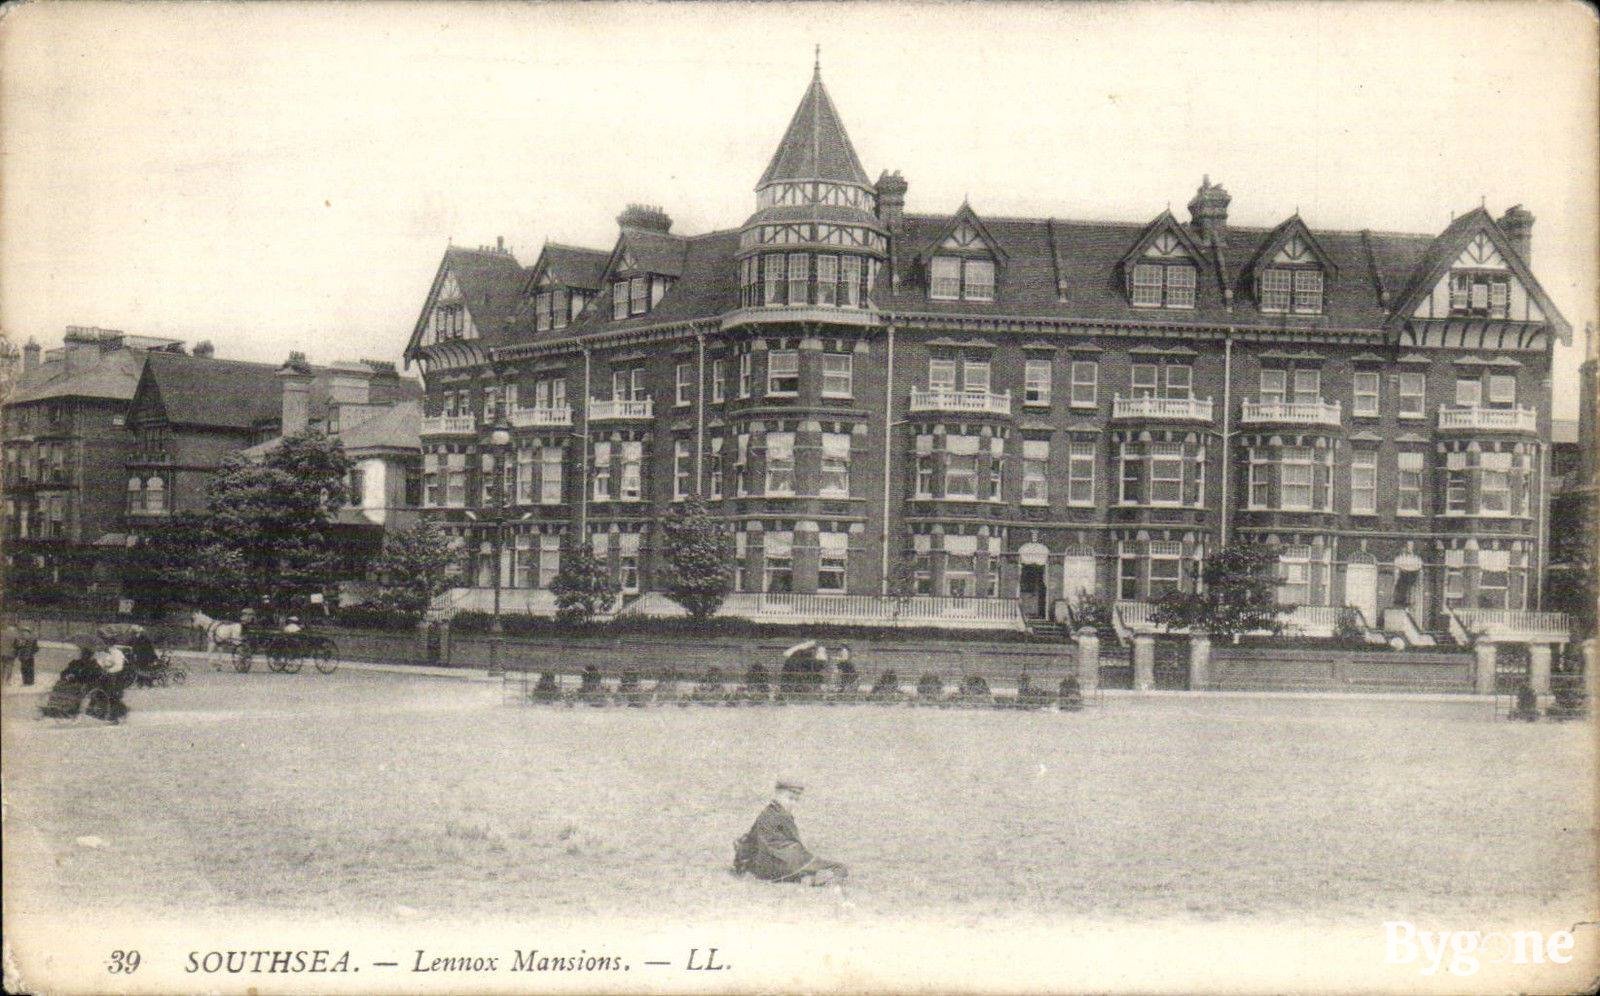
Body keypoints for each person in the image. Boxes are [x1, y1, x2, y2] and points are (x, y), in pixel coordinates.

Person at [733, 779, 848, 886]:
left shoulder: (766, 813)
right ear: (777, 795)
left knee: (799, 860)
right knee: (839, 867)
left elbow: (749, 840)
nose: (792, 803)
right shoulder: (782, 816)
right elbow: (796, 843)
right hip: (782, 863)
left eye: (796, 800)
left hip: (761, 867)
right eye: (790, 798)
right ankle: (812, 879)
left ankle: (804, 878)